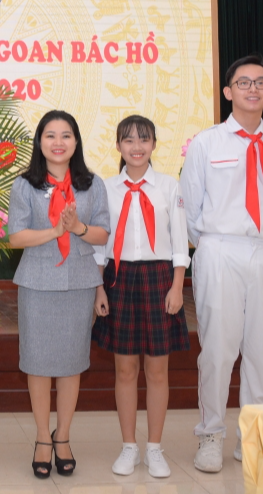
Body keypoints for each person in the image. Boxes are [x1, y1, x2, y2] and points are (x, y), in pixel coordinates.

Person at [180, 55, 263, 472]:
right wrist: (211, 245)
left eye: (260, 82)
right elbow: (191, 210)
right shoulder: (206, 142)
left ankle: (254, 435)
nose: (252, 88)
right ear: (228, 92)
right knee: (217, 350)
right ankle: (211, 434)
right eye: (243, 82)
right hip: (220, 250)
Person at [8, 110, 110, 479]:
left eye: (66, 135)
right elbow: (16, 236)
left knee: (70, 364)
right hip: (37, 281)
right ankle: (41, 438)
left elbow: (102, 234)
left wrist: (78, 227)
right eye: (50, 135)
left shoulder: (91, 184)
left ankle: (63, 436)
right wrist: (54, 231)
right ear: (40, 142)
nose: (58, 142)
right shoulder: (25, 185)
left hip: (79, 281)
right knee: (37, 364)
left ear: (76, 142)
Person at [92, 115, 190, 478]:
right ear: (117, 146)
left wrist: (178, 286)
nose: (136, 147)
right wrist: (99, 287)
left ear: (153, 145)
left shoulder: (168, 186)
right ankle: (129, 447)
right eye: (129, 140)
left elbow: (180, 240)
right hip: (119, 278)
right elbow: (100, 244)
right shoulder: (106, 188)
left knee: (158, 369)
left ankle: (155, 449)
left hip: (159, 277)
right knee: (125, 368)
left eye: (144, 139)